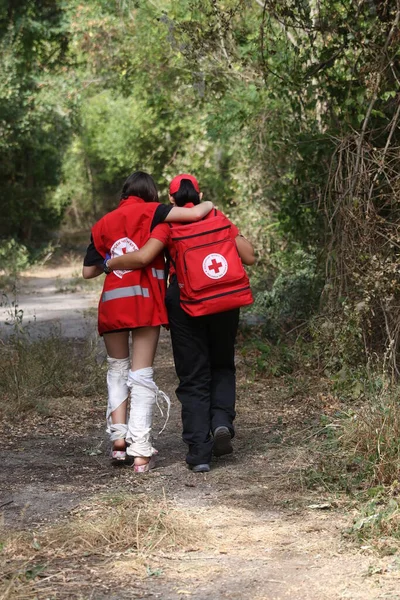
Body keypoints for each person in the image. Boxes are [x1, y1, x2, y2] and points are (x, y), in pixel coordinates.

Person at [105, 174, 255, 472]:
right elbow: (249, 257)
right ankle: (222, 422)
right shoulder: (217, 216)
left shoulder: (168, 224)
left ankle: (200, 452)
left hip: (186, 301)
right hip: (225, 299)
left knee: (192, 375)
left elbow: (145, 256)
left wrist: (109, 263)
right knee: (222, 364)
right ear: (198, 194)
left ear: (171, 200)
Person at [82, 171, 214, 472]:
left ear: (123, 193)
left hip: (113, 302)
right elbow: (194, 215)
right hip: (143, 302)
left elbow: (88, 272)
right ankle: (140, 451)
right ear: (152, 194)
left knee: (117, 369)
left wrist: (108, 262)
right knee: (141, 375)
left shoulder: (103, 223)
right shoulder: (156, 213)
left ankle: (118, 441)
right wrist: (208, 205)